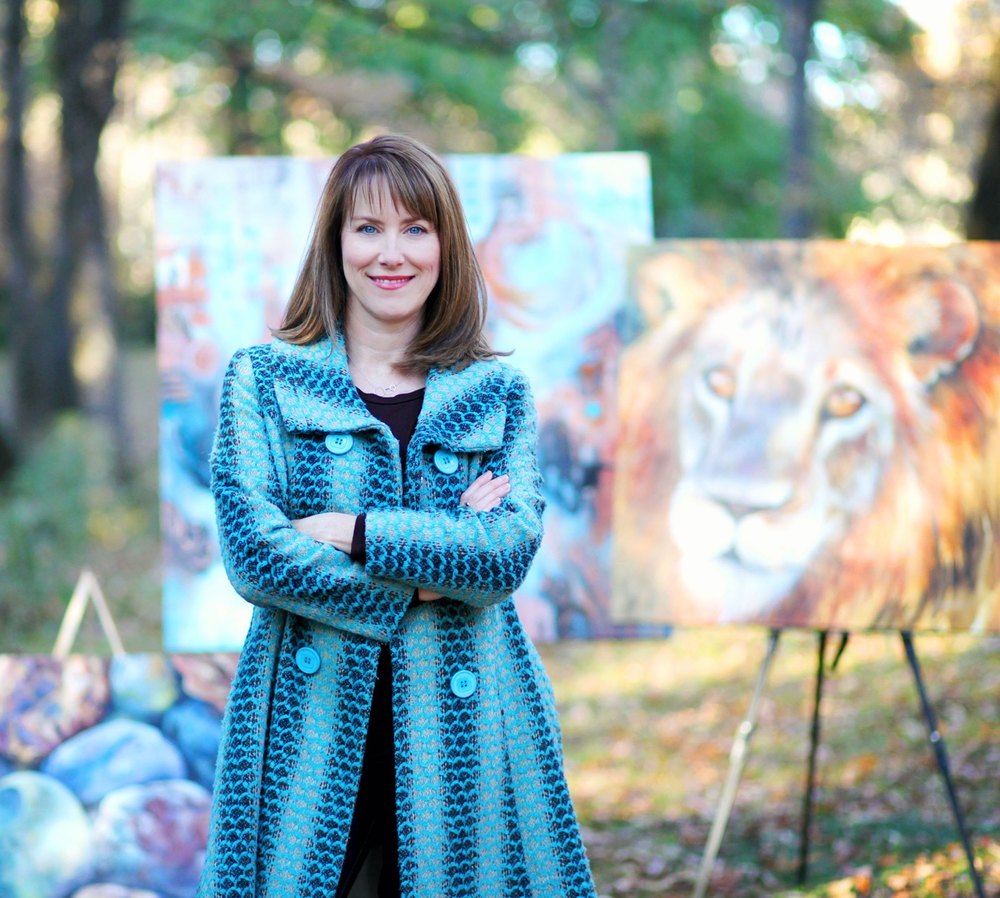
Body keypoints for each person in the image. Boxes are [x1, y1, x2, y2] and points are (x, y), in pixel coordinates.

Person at [197, 134, 598, 898]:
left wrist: (352, 531)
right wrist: (423, 579)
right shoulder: (265, 379)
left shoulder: (495, 391)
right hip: (307, 721)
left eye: (416, 228)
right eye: (369, 228)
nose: (393, 253)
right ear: (336, 241)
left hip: (468, 725)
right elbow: (255, 555)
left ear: (445, 245)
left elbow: (502, 556)